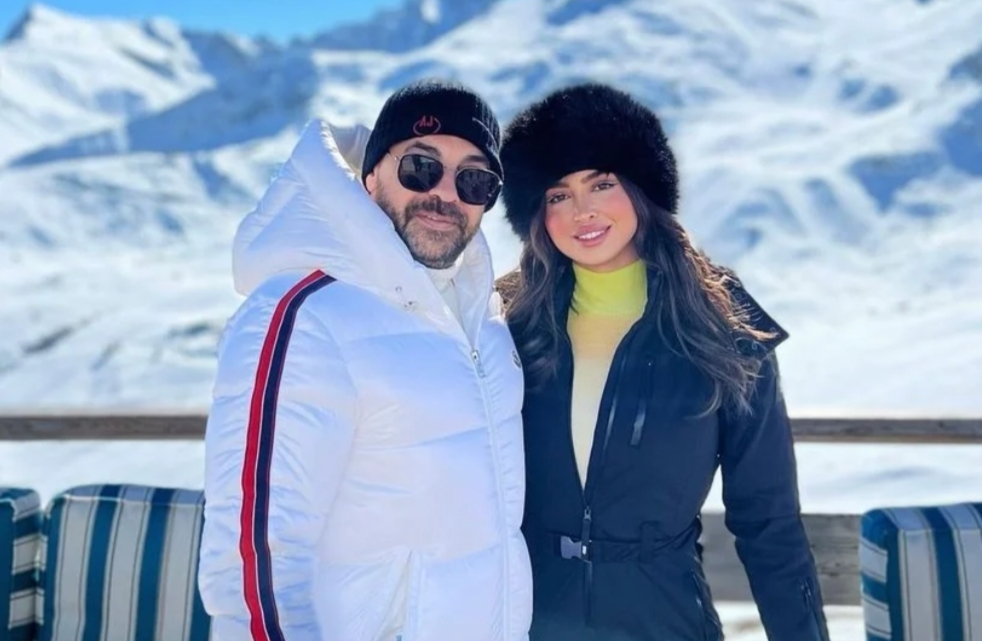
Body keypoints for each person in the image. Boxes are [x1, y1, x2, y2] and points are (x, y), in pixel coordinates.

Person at [198, 79, 532, 641]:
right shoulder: (305, 314)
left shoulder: (484, 319)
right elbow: (254, 560)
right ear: (371, 174)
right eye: (421, 167)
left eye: (474, 180)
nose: (445, 194)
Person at [497, 82, 830, 641]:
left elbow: (768, 521)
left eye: (601, 183)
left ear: (640, 187)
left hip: (667, 621)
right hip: (527, 620)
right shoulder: (506, 322)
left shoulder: (725, 327)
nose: (582, 211)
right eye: (558, 195)